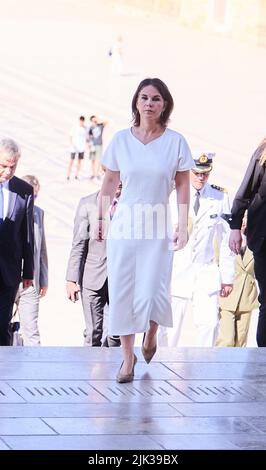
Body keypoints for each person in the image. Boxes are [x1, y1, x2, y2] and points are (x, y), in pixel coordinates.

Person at [96, 77, 194, 382]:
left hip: (157, 224)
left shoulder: (175, 141)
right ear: (136, 102)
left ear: (165, 105)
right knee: (123, 289)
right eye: (144, 98)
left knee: (153, 289)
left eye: (155, 99)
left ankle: (151, 334)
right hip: (125, 224)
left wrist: (183, 223)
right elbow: (111, 181)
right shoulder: (121, 141)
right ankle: (127, 357)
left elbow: (182, 183)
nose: (149, 103)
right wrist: (100, 219)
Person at [159, 152, 235, 347]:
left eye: (205, 174)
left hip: (205, 269)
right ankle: (163, 368)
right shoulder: (171, 195)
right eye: (197, 173)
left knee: (209, 325)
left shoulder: (219, 197)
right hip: (177, 268)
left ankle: (204, 368)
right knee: (169, 329)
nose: (201, 178)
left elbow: (226, 239)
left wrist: (227, 277)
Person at [66, 187, 121, 347]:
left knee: (117, 334)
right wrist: (71, 279)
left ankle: (114, 368)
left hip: (122, 279)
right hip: (93, 276)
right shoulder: (87, 203)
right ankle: (92, 370)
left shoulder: (134, 203)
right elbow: (78, 244)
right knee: (93, 333)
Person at [229, 137, 266, 346]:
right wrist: (235, 227)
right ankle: (264, 359)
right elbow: (246, 190)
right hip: (264, 238)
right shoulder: (264, 152)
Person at [0, 138, 34, 346]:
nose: (8, 171)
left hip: (9, 270)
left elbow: (27, 234)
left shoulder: (24, 190)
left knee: (3, 324)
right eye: (3, 166)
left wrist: (28, 271)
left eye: (13, 167)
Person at [14, 175, 48, 346]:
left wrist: (43, 279)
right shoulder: (7, 209)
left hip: (29, 283)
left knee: (31, 331)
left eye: (35, 196)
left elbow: (41, 248)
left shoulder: (38, 213)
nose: (31, 199)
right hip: (7, 279)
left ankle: (34, 369)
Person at [216, 215, 258, 347]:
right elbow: (217, 261)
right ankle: (221, 366)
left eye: (247, 217)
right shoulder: (224, 236)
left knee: (241, 343)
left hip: (247, 296)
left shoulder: (257, 239)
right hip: (227, 294)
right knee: (226, 340)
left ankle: (236, 368)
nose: (244, 221)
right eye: (242, 217)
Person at [67, 116, 87, 180]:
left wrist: (85, 146)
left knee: (79, 162)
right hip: (74, 148)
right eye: (80, 120)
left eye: (82, 121)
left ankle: (76, 175)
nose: (81, 122)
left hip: (81, 148)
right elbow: (70, 136)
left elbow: (86, 138)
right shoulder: (75, 127)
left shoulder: (85, 128)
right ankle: (68, 175)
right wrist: (72, 145)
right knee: (71, 161)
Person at [88, 116, 107, 180]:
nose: (94, 122)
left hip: (99, 145)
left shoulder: (100, 126)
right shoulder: (91, 128)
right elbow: (89, 137)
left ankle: (97, 173)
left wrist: (99, 120)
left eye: (95, 120)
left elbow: (107, 121)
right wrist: (89, 146)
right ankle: (93, 173)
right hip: (93, 145)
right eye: (93, 121)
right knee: (92, 160)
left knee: (99, 160)